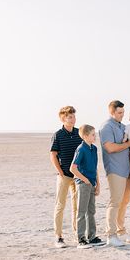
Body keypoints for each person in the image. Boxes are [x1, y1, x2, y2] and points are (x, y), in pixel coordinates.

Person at [99, 100, 130, 247]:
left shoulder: (122, 126)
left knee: (124, 202)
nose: (122, 115)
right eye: (119, 113)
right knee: (115, 202)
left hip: (127, 169)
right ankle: (111, 235)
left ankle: (121, 231)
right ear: (112, 112)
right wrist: (128, 144)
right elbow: (110, 148)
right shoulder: (106, 127)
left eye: (123, 112)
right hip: (115, 169)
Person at [50, 105, 83, 248]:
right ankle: (58, 236)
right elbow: (53, 155)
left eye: (74, 116)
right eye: (70, 117)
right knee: (60, 205)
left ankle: (77, 234)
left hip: (77, 175)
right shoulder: (58, 135)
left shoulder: (79, 133)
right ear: (63, 118)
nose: (73, 119)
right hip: (64, 175)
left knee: (77, 206)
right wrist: (61, 172)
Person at [70, 125, 104, 248]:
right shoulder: (81, 149)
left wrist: (98, 184)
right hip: (83, 184)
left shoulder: (94, 149)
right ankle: (81, 239)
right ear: (85, 136)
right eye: (92, 134)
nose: (95, 136)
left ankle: (92, 237)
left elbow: (95, 168)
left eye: (95, 134)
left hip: (92, 183)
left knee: (91, 211)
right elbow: (73, 168)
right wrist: (85, 180)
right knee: (81, 211)